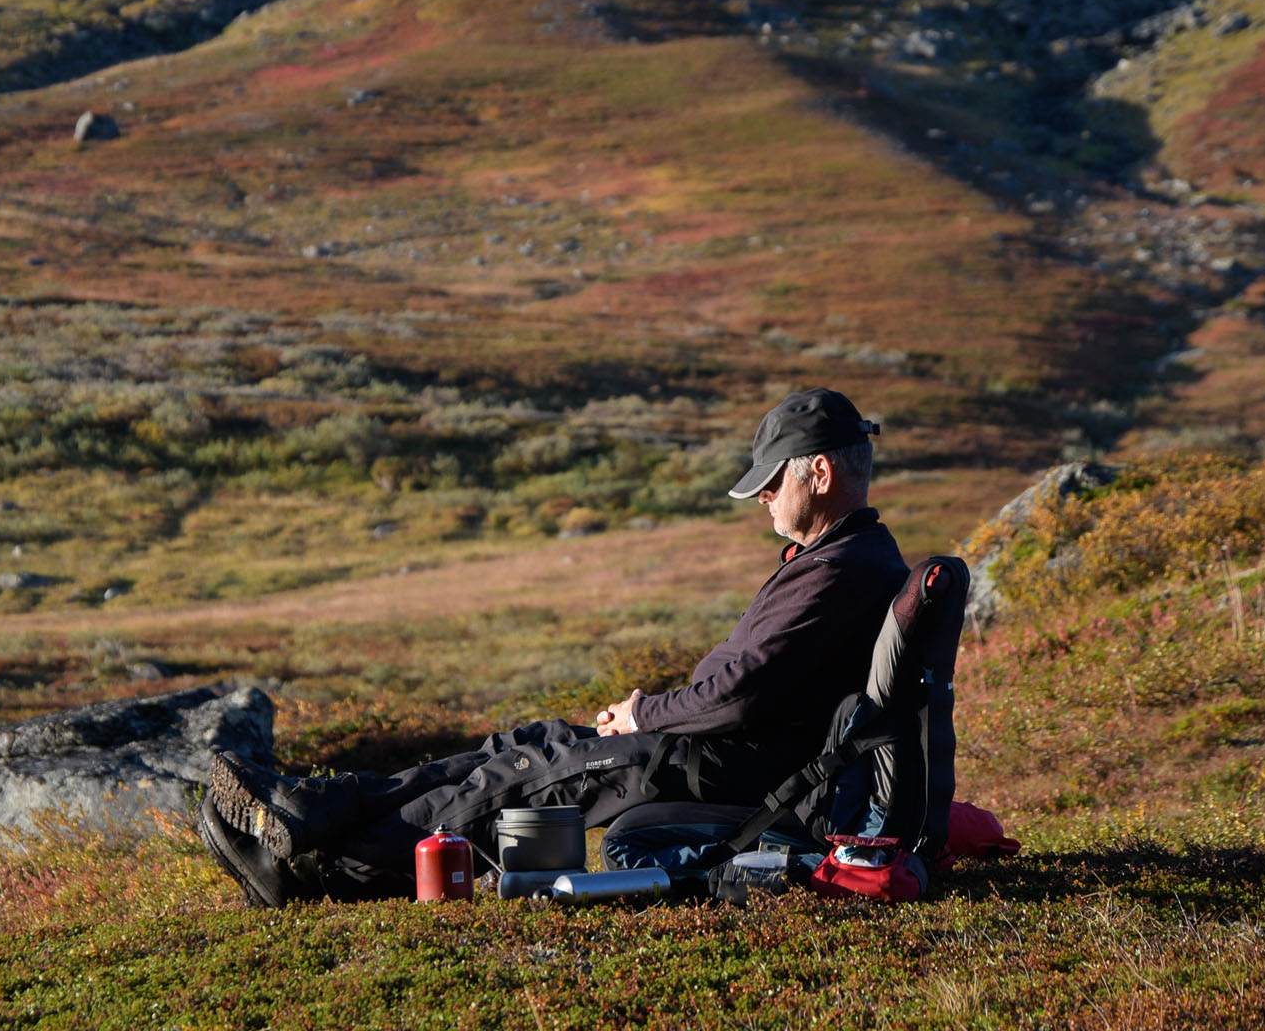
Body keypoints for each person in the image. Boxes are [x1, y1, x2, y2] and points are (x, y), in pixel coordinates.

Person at [197, 386, 909, 906]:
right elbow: (748, 687)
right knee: (530, 743)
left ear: (818, 473)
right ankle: (320, 807)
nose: (762, 497)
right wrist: (652, 714)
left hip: (738, 769)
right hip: (727, 752)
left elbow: (739, 692)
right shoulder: (843, 559)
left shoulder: (840, 572)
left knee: (538, 777)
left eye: (771, 480)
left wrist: (645, 715)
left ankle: (319, 870)